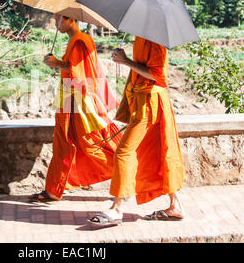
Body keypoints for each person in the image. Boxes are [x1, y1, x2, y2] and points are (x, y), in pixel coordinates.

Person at [88, 36, 185, 225]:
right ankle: (176, 206)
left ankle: (117, 209)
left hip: (150, 103)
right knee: (161, 152)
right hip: (143, 101)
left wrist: (126, 61)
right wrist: (125, 60)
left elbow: (158, 76)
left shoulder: (155, 40)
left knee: (123, 152)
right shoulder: (142, 37)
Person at [31, 14, 122, 202]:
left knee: (92, 142)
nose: (56, 24)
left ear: (71, 20)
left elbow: (80, 72)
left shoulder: (81, 40)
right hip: (68, 96)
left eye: (59, 20)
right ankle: (53, 190)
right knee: (62, 143)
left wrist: (57, 63)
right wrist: (58, 64)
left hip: (80, 99)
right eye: (56, 20)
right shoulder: (75, 40)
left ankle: (128, 172)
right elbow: (73, 68)